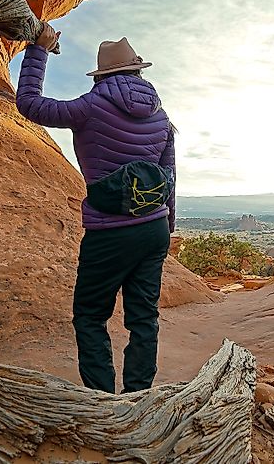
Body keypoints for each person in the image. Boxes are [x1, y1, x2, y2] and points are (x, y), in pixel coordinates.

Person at [16, 23, 175, 394]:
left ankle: (102, 399)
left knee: (90, 316)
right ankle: (138, 396)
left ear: (102, 74)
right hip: (152, 229)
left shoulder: (91, 106)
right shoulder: (160, 114)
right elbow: (169, 175)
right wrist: (166, 226)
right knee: (144, 318)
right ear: (138, 70)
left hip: (109, 231)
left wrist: (38, 50)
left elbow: (29, 104)